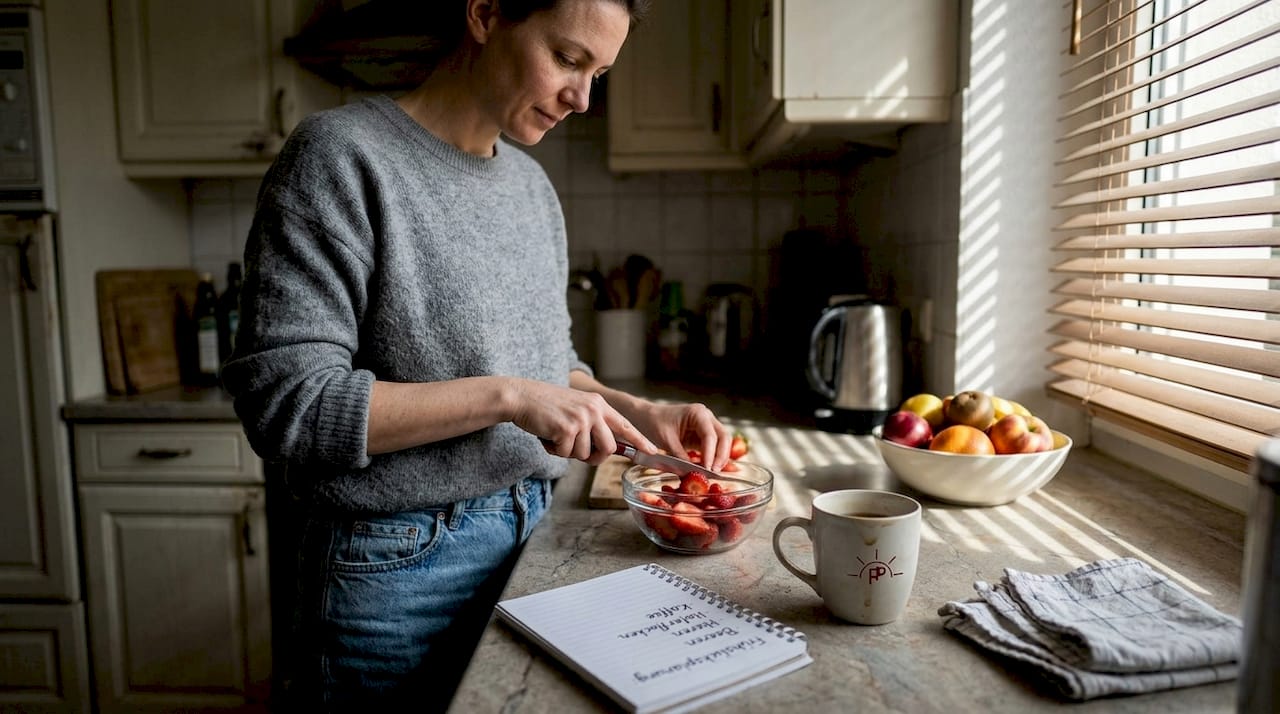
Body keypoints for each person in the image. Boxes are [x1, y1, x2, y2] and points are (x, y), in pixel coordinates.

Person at [220, 0, 734, 708]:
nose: (582, 99)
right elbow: (291, 408)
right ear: (487, 14)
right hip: (395, 573)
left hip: (535, 537)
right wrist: (509, 397)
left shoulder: (532, 188)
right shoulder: (340, 157)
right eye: (568, 59)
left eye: (600, 74)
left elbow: (551, 365)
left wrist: (642, 413)